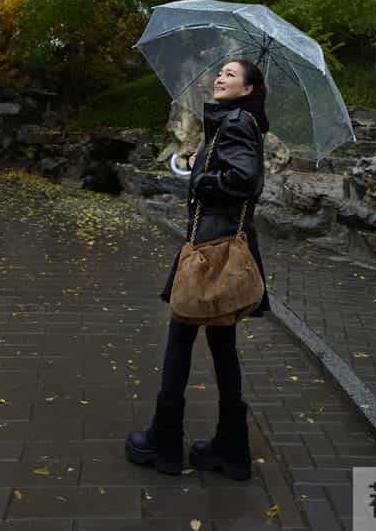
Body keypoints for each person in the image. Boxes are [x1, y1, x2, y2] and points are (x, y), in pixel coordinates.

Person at [125, 59, 270, 481]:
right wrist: (198, 164)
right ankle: (232, 449)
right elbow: (233, 171)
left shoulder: (237, 123)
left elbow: (243, 179)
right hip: (219, 245)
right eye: (220, 73)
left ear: (248, 89)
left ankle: (164, 442)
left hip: (210, 249)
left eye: (230, 74)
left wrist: (204, 179)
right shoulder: (238, 122)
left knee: (180, 336)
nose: (220, 78)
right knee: (222, 345)